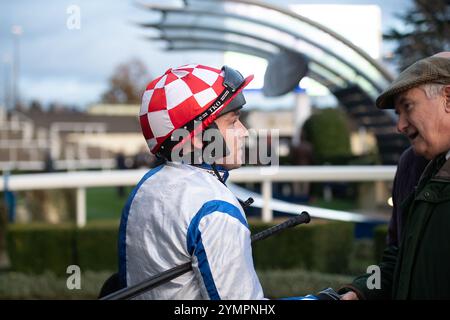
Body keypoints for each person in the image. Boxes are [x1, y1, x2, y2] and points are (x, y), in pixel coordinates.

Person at [117, 64, 290, 300]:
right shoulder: (215, 209)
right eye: (232, 122)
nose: (244, 132)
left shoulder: (145, 187)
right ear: (199, 137)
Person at [340, 52, 450, 299]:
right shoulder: (411, 165)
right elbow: (396, 256)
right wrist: (362, 291)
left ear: (448, 99)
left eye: (407, 107)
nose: (399, 125)